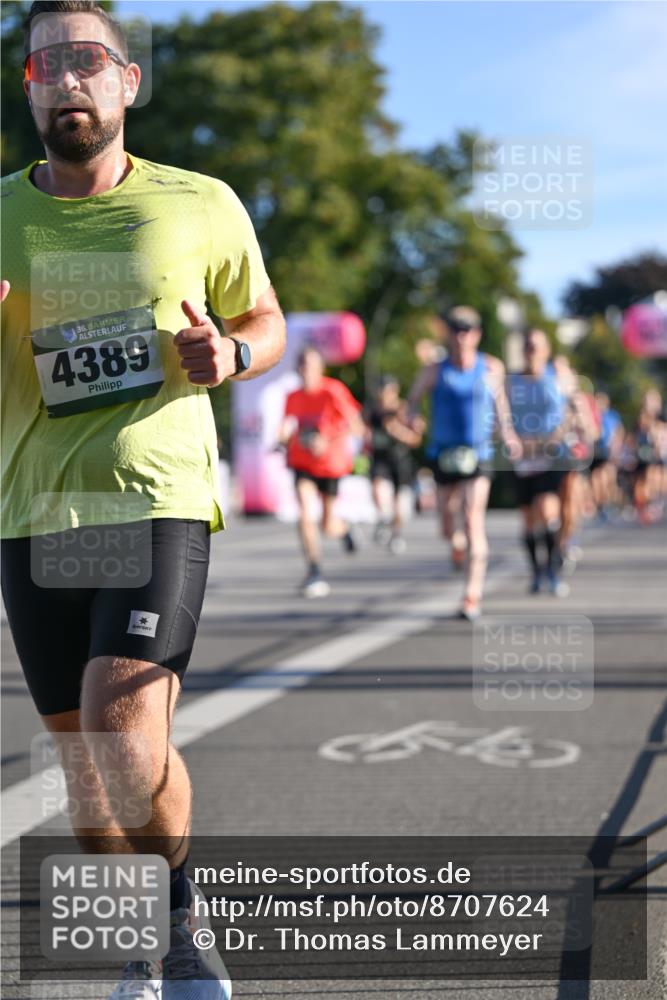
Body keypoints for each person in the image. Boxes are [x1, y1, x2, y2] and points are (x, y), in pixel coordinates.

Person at [1, 3, 286, 998]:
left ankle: (182, 927)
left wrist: (235, 353)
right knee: (89, 790)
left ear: (127, 82)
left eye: (87, 60)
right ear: (28, 88)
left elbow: (266, 317)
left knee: (126, 734)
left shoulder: (200, 201)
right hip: (31, 514)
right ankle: (149, 932)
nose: (65, 78)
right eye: (45, 65)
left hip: (151, 496)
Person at [408, 306, 521, 620]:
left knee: (473, 520)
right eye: (456, 328)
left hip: (478, 454)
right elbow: (413, 401)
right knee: (448, 524)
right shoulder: (435, 369)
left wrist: (509, 435)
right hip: (443, 454)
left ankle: (472, 595)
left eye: (468, 328)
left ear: (477, 334)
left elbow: (501, 407)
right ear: (448, 332)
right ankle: (456, 544)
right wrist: (413, 418)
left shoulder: (490, 368)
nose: (462, 335)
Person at [279, 346, 363, 597]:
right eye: (302, 365)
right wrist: (283, 439)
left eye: (312, 366)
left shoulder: (333, 390)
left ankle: (346, 529)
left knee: (328, 525)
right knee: (305, 512)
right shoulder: (293, 396)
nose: (306, 371)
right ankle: (314, 570)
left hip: (331, 464)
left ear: (320, 369)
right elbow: (285, 427)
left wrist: (326, 439)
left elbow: (357, 427)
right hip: (302, 463)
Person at [507, 330, 569, 596]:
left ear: (547, 350)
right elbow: (502, 418)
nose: (532, 351)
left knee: (547, 510)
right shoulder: (511, 384)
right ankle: (536, 572)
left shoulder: (557, 382)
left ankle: (554, 569)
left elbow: (565, 419)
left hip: (550, 456)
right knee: (529, 520)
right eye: (528, 346)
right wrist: (514, 441)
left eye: (537, 346)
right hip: (523, 458)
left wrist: (548, 440)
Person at [365, 375, 423, 553]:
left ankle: (396, 534)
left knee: (399, 500)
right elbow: (362, 428)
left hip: (399, 458)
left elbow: (416, 438)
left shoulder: (403, 410)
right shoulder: (372, 410)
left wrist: (397, 431)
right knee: (376, 487)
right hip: (379, 457)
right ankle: (382, 518)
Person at [590, 392, 623, 521]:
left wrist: (616, 446)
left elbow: (619, 431)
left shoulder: (611, 416)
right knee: (596, 480)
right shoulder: (592, 415)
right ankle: (600, 505)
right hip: (594, 452)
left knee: (607, 479)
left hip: (607, 452)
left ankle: (609, 502)